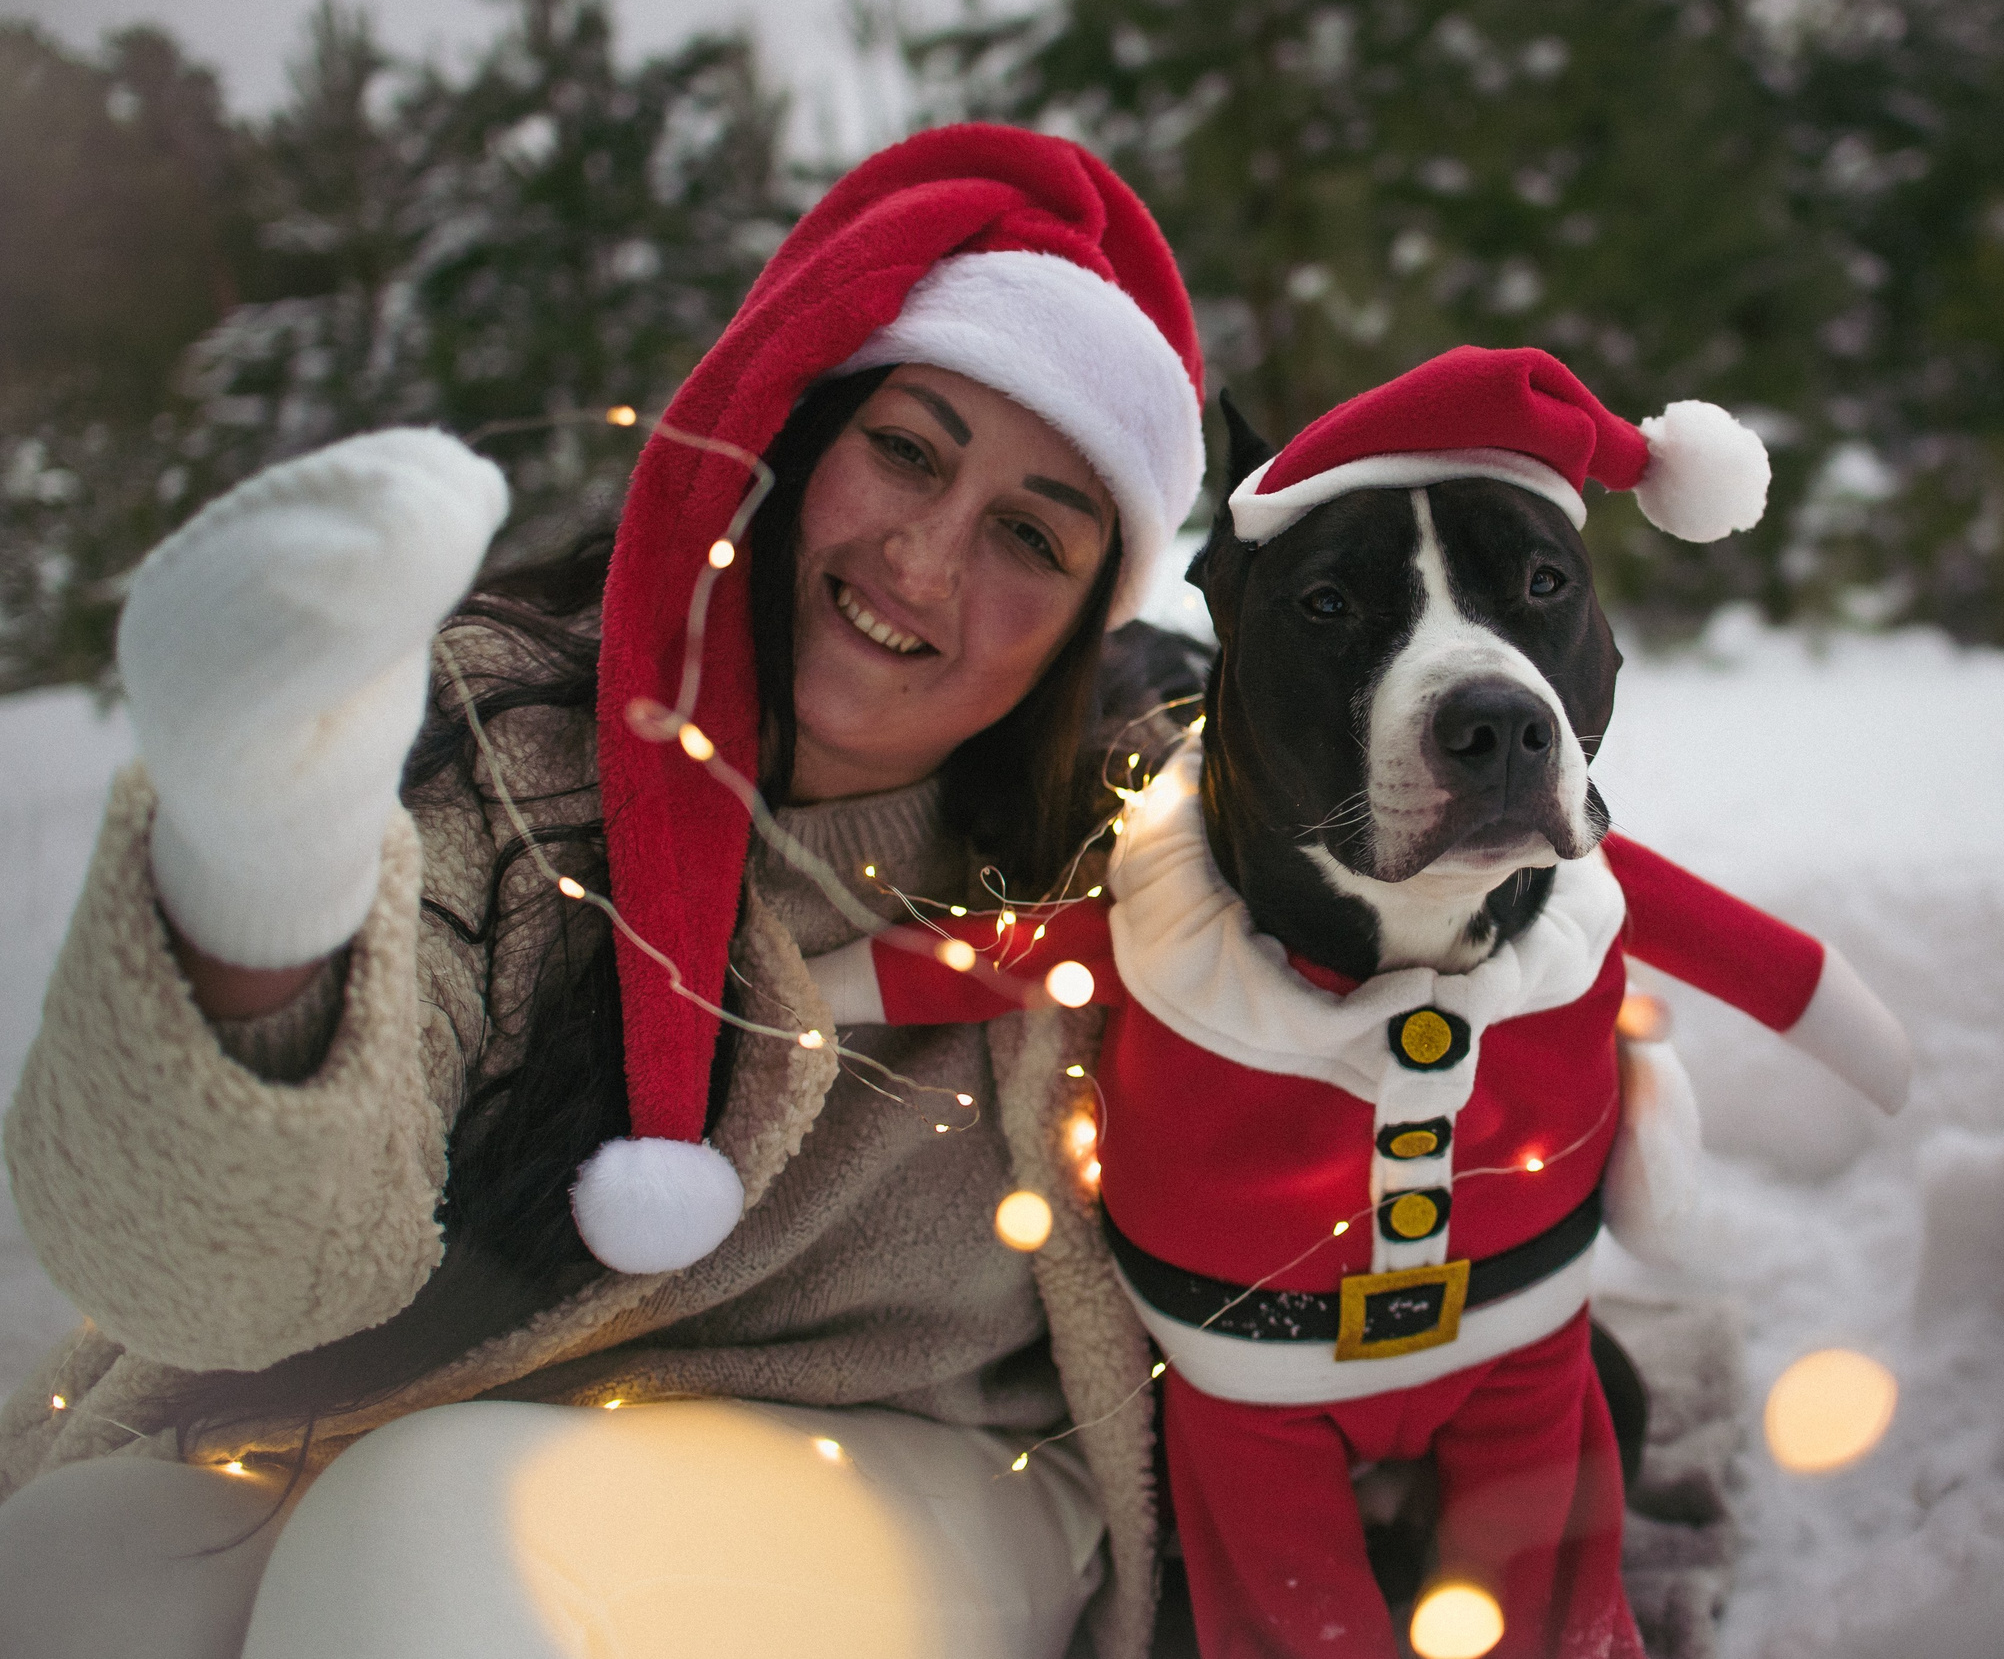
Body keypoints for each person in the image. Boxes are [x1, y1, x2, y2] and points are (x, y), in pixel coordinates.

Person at [0, 123, 1208, 1659]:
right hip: (479, 1416)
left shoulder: (1128, 852)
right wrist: (266, 859)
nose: (925, 551)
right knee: (65, 1569)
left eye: (1031, 533)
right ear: (793, 430)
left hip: (941, 1476)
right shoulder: (517, 752)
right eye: (906, 447)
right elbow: (225, 1268)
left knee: (434, 1529)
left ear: (1084, 628)